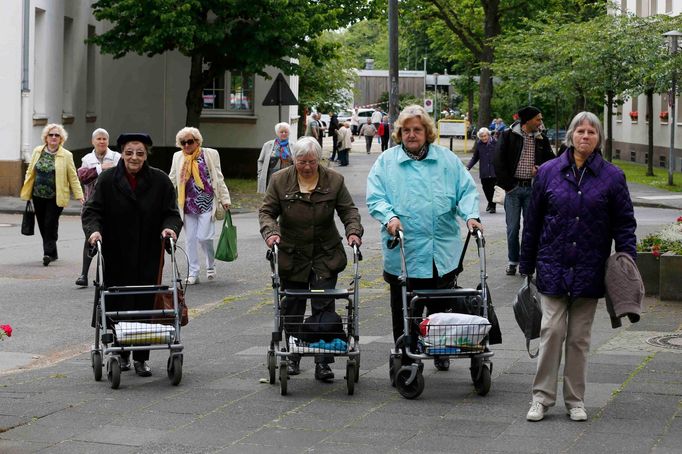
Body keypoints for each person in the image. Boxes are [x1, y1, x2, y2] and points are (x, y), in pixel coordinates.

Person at [519, 112, 636, 422]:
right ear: (570, 136)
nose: (586, 136)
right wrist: (525, 263)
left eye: (592, 132)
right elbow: (531, 223)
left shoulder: (612, 177)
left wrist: (626, 260)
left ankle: (575, 400)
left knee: (580, 338)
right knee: (552, 331)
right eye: (580, 131)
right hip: (552, 265)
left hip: (590, 268)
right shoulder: (548, 172)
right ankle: (542, 398)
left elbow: (625, 224)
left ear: (599, 139)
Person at [366, 105, 483, 371]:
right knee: (405, 308)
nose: (411, 135)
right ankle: (405, 354)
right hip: (404, 250)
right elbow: (376, 197)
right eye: (406, 130)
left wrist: (471, 216)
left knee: (441, 305)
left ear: (427, 132)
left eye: (417, 129)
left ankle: (440, 346)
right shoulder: (386, 161)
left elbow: (466, 190)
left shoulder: (447, 160)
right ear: (399, 133)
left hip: (440, 249)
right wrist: (389, 217)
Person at [259, 136, 363, 382]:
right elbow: (267, 211)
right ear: (294, 160)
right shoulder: (279, 180)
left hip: (325, 254)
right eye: (302, 161)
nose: (307, 167)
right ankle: (293, 354)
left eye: (312, 162)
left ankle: (323, 362)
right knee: (292, 306)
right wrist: (271, 233)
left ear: (319, 159)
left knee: (324, 305)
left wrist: (353, 232)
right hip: (292, 254)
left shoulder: (334, 180)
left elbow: (348, 210)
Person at [82, 133, 182, 377]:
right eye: (129, 153)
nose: (134, 157)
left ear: (146, 155)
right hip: (116, 252)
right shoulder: (106, 180)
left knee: (144, 303)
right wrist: (94, 232)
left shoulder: (160, 181)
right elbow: (92, 211)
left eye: (139, 153)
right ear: (122, 154)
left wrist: (170, 228)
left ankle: (141, 357)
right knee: (118, 301)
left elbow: (171, 213)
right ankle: (119, 351)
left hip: (149, 251)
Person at [493, 106, 555, 276]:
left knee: (531, 228)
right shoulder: (507, 135)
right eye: (538, 119)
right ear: (528, 120)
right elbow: (498, 161)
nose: (540, 122)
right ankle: (513, 261)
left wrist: (540, 168)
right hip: (513, 189)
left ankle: (527, 264)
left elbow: (553, 162)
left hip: (533, 189)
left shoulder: (542, 139)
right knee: (513, 228)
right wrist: (509, 186)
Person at [169, 127, 231, 285]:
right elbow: (172, 178)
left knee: (204, 238)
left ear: (197, 141)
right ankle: (193, 272)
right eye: (183, 143)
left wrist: (225, 198)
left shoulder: (210, 154)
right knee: (190, 239)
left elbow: (218, 177)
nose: (187, 145)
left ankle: (210, 265)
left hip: (206, 202)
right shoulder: (177, 156)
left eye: (190, 141)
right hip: (187, 204)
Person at [20, 123, 84, 266]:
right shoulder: (38, 151)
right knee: (42, 223)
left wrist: (79, 195)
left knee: (50, 222)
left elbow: (73, 177)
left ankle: (47, 253)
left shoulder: (66, 155)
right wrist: (27, 187)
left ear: (61, 139)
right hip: (37, 195)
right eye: (51, 135)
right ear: (46, 138)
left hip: (56, 196)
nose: (54, 137)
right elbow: (30, 171)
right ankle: (52, 251)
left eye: (57, 135)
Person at [75, 128, 121, 287]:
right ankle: (83, 274)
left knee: (109, 240)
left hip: (112, 204)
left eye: (104, 139)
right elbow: (83, 177)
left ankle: (102, 277)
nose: (101, 142)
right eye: (99, 139)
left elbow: (120, 176)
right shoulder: (87, 159)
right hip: (92, 205)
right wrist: (101, 169)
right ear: (93, 142)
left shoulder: (116, 157)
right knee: (91, 237)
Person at [466, 127, 498, 213]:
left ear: (488, 135)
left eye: (485, 136)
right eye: (482, 136)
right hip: (484, 171)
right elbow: (475, 157)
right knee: (485, 188)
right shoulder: (479, 144)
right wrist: (468, 167)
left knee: (492, 189)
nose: (484, 138)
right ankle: (490, 202)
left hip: (494, 171)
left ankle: (492, 206)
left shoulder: (496, 143)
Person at [257, 122, 294, 194]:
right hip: (272, 175)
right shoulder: (268, 145)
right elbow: (260, 160)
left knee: (286, 194)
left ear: (289, 133)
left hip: (288, 175)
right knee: (272, 195)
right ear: (277, 133)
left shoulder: (293, 145)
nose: (283, 133)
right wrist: (260, 173)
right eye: (281, 132)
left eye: (286, 132)